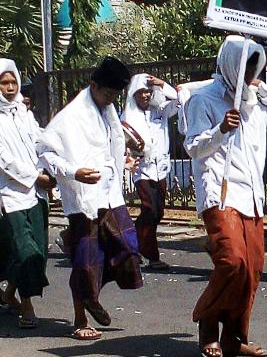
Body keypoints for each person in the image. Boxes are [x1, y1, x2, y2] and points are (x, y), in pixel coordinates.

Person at [184, 36, 267, 357]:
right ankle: (206, 323)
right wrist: (220, 130)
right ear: (230, 64)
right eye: (245, 68)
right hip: (220, 192)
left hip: (252, 195)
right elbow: (192, 147)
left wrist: (262, 88)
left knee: (253, 268)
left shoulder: (254, 102)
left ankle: (233, 337)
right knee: (233, 262)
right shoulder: (203, 100)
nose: (248, 75)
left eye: (254, 69)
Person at [38, 56, 143, 341]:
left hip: (110, 195)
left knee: (128, 249)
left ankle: (91, 294)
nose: (110, 99)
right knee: (86, 260)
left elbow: (109, 148)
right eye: (107, 93)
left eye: (115, 95)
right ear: (93, 85)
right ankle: (81, 316)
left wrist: (123, 162)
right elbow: (45, 151)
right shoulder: (69, 117)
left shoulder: (107, 112)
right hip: (82, 199)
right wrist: (74, 172)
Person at [0, 59, 55, 328]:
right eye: (3, 82)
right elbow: (4, 160)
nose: (10, 87)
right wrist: (35, 176)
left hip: (36, 194)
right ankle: (27, 305)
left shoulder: (24, 112)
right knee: (24, 249)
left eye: (13, 82)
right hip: (11, 194)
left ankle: (10, 292)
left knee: (39, 253)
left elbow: (38, 141)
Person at [122, 73, 179, 270]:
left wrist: (162, 84)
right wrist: (127, 158)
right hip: (142, 170)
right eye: (141, 93)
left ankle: (131, 246)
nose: (145, 96)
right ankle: (150, 255)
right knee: (150, 209)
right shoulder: (128, 116)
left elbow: (180, 99)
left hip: (160, 169)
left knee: (157, 212)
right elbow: (122, 142)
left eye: (148, 92)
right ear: (134, 95)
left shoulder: (160, 110)